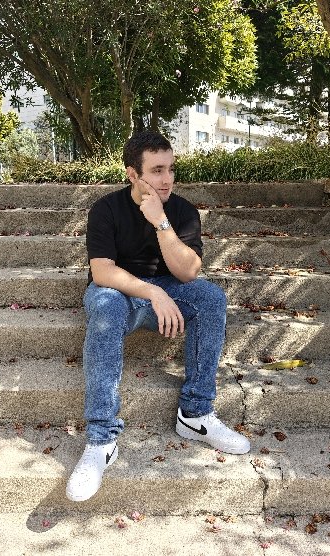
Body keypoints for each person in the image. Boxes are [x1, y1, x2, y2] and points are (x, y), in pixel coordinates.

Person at [66, 131, 250, 502]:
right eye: (156, 171)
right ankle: (101, 440)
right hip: (118, 291)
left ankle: (195, 415)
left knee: (211, 298)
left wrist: (161, 222)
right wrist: (153, 292)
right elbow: (102, 271)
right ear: (133, 174)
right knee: (105, 307)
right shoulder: (106, 209)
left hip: (171, 287)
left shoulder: (182, 211)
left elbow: (189, 273)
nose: (167, 180)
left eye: (171, 169)